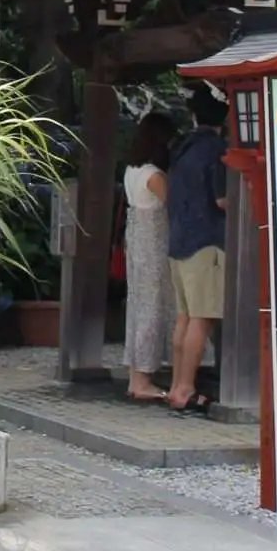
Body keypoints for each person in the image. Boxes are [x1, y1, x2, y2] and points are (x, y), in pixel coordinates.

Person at [164, 89, 231, 415]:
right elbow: (222, 200)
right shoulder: (217, 150)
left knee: (185, 316)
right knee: (202, 319)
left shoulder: (181, 148)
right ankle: (186, 388)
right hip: (207, 241)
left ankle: (177, 385)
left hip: (179, 240)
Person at [120, 114, 177, 401]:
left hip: (136, 240)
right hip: (154, 243)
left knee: (139, 306)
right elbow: (172, 206)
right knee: (152, 308)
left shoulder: (132, 170)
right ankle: (143, 378)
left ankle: (135, 375)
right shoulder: (155, 175)